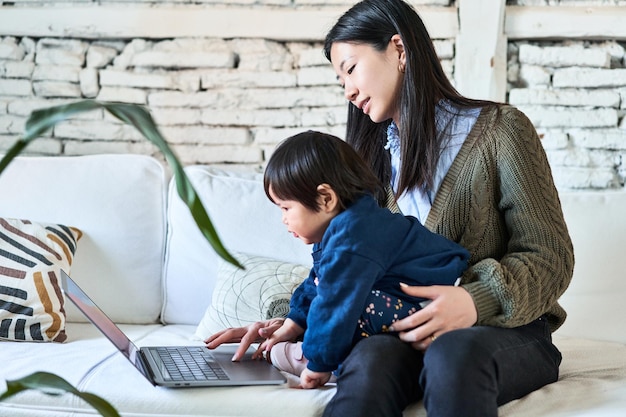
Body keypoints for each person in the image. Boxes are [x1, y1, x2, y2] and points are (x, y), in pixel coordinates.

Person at [205, 0, 574, 416]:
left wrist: (473, 300)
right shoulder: (368, 165)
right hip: (404, 331)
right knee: (367, 364)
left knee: (452, 354)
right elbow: (344, 269)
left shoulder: (502, 131)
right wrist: (293, 324)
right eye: (339, 78)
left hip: (504, 332)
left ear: (398, 50)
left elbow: (551, 257)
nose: (347, 88)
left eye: (350, 68)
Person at [256, 130, 469, 389]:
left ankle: (315, 357)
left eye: (286, 208)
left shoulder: (354, 233)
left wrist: (318, 364)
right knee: (335, 293)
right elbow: (318, 280)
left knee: (349, 304)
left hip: (436, 308)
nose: (283, 219)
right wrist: (293, 322)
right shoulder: (341, 229)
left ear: (326, 198)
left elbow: (334, 300)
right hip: (409, 302)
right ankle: (319, 349)